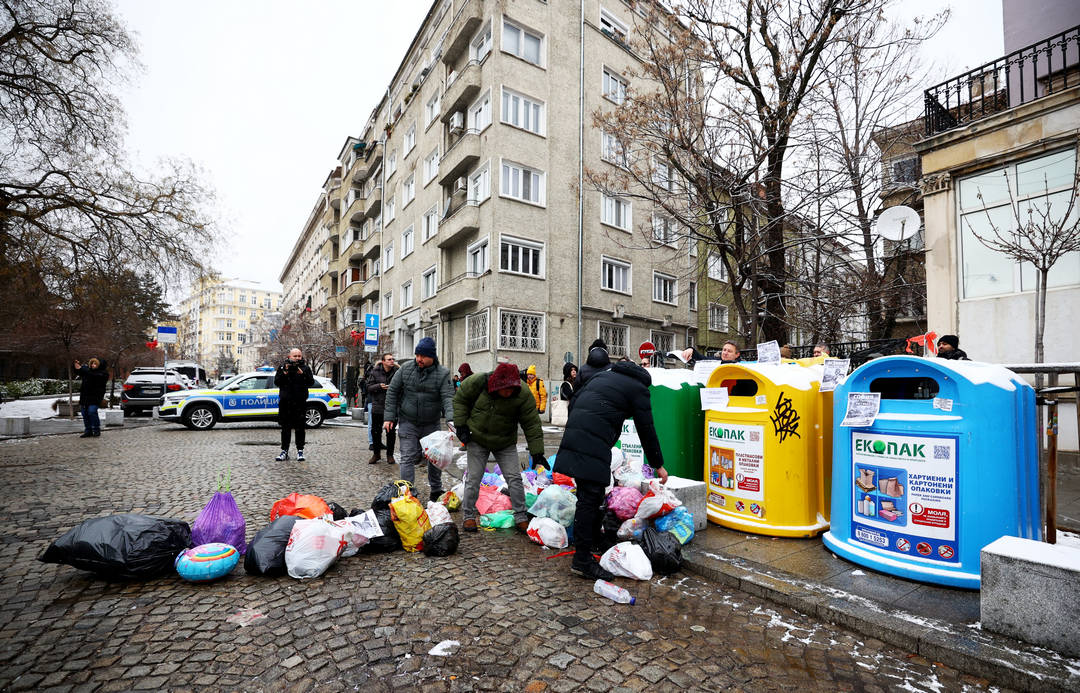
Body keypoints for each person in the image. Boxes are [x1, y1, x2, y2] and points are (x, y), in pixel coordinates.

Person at [555, 360, 668, 580]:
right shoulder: (639, 389)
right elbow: (646, 429)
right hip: (593, 440)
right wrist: (658, 464)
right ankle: (582, 560)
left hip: (577, 433)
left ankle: (593, 540)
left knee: (592, 492)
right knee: (590, 497)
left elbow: (575, 399)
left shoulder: (603, 376)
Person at [454, 363, 546, 533]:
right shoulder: (478, 382)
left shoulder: (523, 393)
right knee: (474, 478)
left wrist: (537, 451)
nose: (508, 392)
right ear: (495, 384)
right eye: (504, 389)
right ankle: (468, 516)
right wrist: (461, 426)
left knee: (514, 478)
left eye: (511, 389)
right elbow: (460, 399)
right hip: (478, 437)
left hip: (505, 441)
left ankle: (521, 516)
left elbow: (531, 423)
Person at [384, 337, 455, 502]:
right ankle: (407, 493)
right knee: (407, 456)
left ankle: (436, 489)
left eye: (423, 356)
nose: (419, 359)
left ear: (432, 357)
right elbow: (393, 391)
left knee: (434, 457)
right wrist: (389, 417)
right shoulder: (406, 369)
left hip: (431, 423)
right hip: (408, 420)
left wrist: (451, 419)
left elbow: (448, 397)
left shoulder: (443, 373)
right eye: (417, 355)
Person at [275, 348, 314, 461]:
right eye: (295, 356)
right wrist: (284, 373)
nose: (297, 358)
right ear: (289, 356)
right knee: (285, 428)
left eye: (299, 356)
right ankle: (284, 451)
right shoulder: (283, 367)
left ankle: (300, 451)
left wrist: (303, 375)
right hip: (285, 403)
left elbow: (311, 382)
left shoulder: (305, 368)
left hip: (300, 403)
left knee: (300, 428)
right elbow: (277, 382)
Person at [366, 352, 399, 465]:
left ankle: (390, 455)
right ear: (383, 361)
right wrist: (379, 386)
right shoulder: (375, 372)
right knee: (376, 431)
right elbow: (368, 387)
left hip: (392, 406)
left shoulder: (397, 372)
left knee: (391, 432)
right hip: (378, 406)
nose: (392, 361)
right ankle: (376, 454)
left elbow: (402, 386)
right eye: (389, 359)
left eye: (393, 359)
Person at [73, 358, 108, 438]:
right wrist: (76, 366)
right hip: (85, 396)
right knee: (84, 413)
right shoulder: (87, 371)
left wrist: (83, 369)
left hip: (95, 397)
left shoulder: (103, 373)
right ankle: (88, 431)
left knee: (92, 412)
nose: (93, 365)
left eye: (95, 364)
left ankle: (96, 430)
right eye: (92, 363)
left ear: (99, 365)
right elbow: (79, 372)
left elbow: (93, 376)